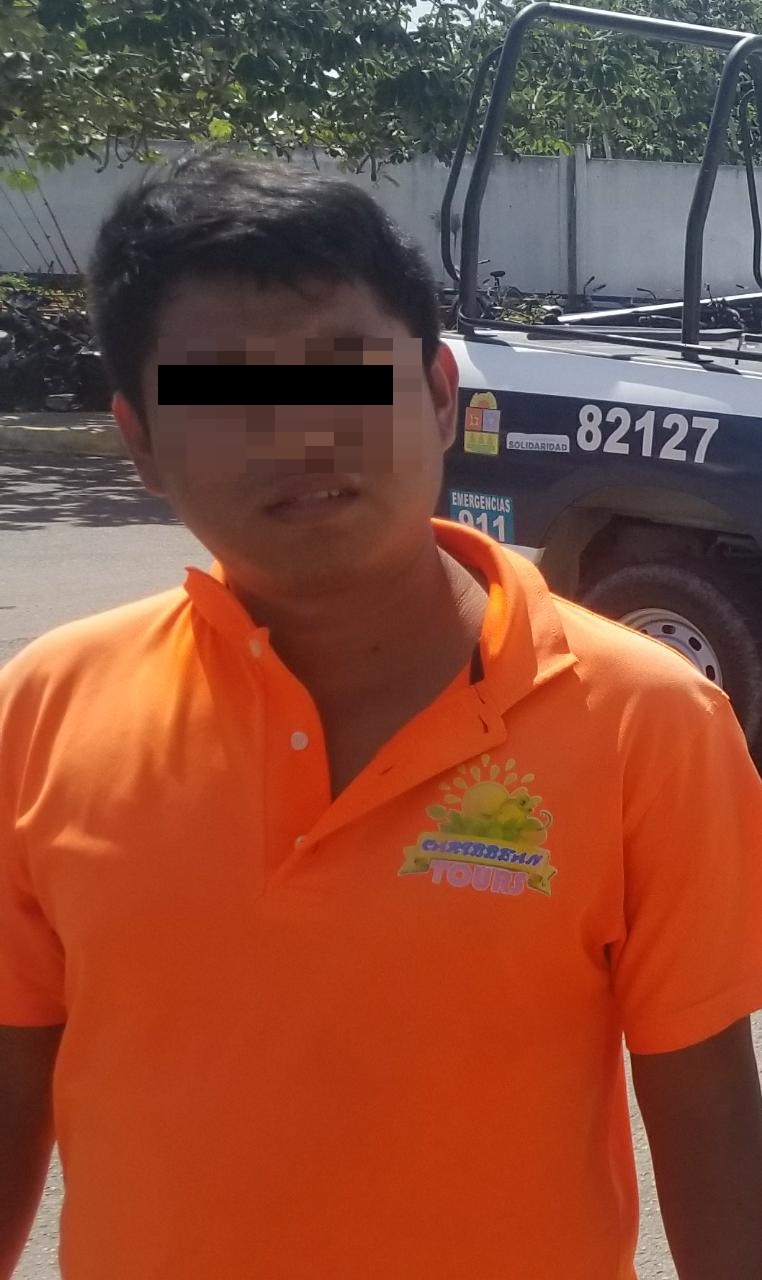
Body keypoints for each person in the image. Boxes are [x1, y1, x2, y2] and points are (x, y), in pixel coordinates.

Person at [2, 149, 762, 1280]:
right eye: (222, 391)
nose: (298, 435)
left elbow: (709, 1121)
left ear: (441, 395)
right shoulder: (45, 708)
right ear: (142, 442)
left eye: (345, 373)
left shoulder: (647, 724)